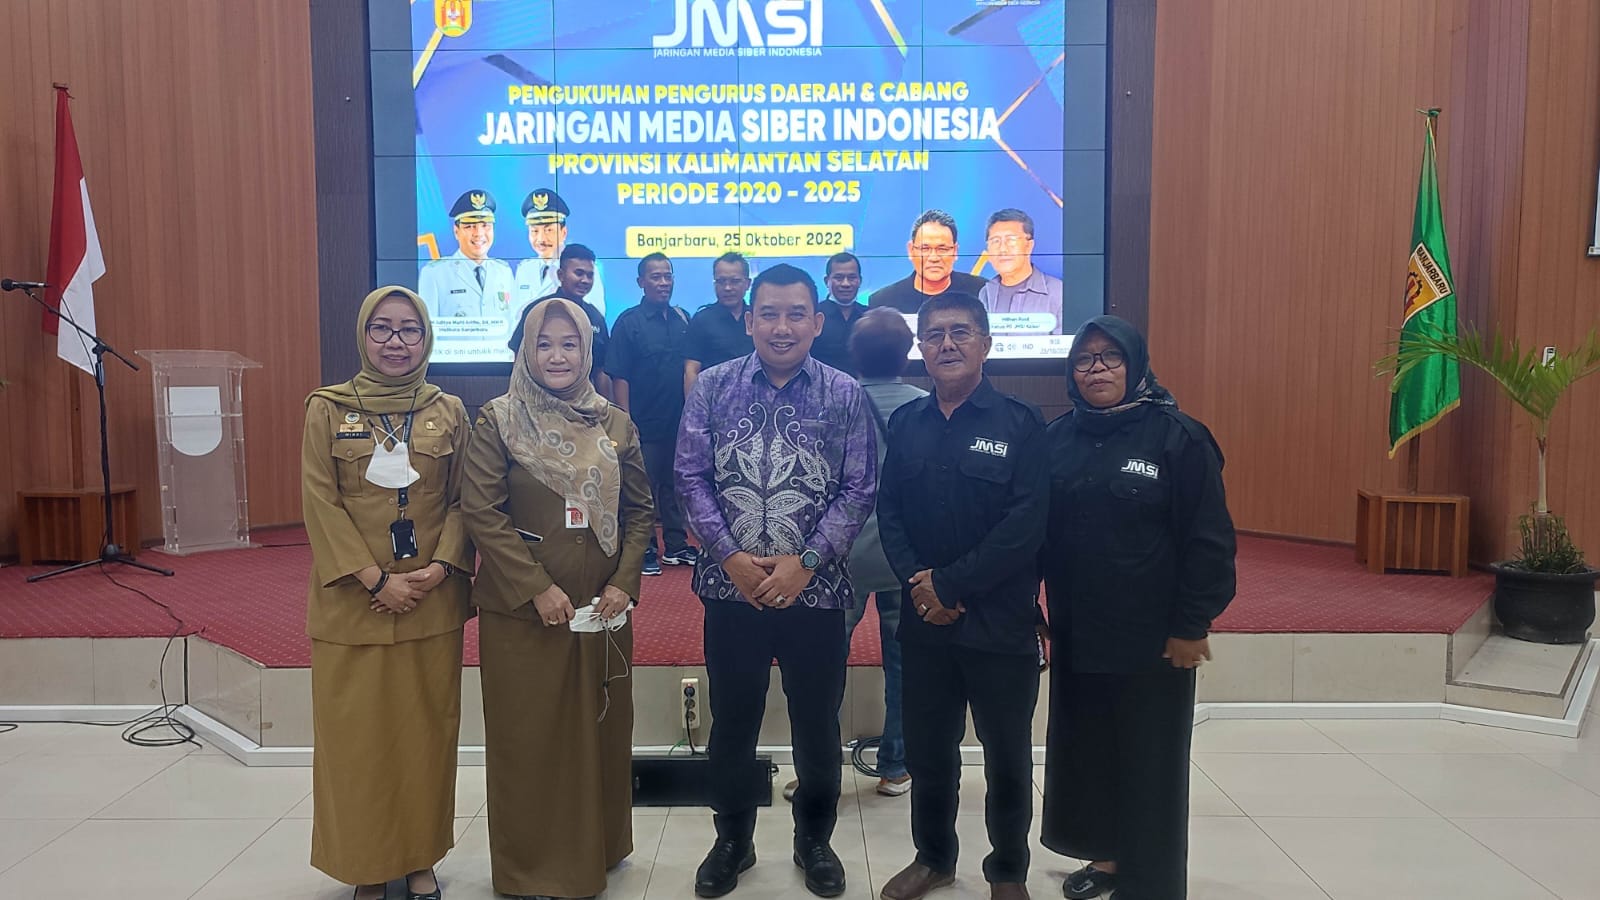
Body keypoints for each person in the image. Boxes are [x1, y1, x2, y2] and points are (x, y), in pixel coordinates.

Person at [675, 264, 878, 900]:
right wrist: (731, 556)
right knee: (733, 721)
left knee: (817, 724)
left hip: (815, 592)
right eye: (769, 313)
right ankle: (732, 840)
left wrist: (805, 561)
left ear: (817, 322)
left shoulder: (844, 392)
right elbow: (689, 477)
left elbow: (860, 487)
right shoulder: (712, 387)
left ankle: (814, 839)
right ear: (748, 320)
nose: (781, 327)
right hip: (729, 589)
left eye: (795, 314)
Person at [460, 299, 656, 900]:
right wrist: (536, 587)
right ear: (525, 350)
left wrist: (624, 582)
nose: (557, 356)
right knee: (530, 738)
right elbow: (482, 512)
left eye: (569, 344)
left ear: (588, 350)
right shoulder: (499, 420)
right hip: (523, 614)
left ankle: (600, 848)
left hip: (602, 610)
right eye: (543, 344)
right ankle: (531, 869)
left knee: (600, 730)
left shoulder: (615, 423)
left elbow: (640, 511)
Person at [1040, 316, 1236, 900]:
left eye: (1111, 357)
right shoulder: (1055, 439)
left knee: (1152, 763)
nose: (1096, 369)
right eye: (1084, 359)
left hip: (1154, 640)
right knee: (1090, 752)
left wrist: (1192, 624)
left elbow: (1209, 540)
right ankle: (1107, 860)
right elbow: (1033, 533)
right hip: (1078, 633)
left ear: (1136, 364)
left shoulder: (1179, 438)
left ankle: (1151, 883)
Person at [302, 286, 474, 900]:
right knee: (358, 743)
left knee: (426, 736)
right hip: (353, 606)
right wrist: (375, 579)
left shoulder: (448, 410)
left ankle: (421, 858)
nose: (395, 342)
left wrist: (440, 569)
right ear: (363, 335)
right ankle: (367, 866)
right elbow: (319, 502)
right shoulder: (326, 409)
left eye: (409, 330)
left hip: (430, 602)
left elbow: (466, 499)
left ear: (426, 338)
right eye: (382, 328)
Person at [876, 293, 1048, 900]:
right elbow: (890, 513)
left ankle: (1008, 872)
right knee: (929, 754)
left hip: (1000, 622)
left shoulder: (1021, 423)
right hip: (926, 622)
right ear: (920, 348)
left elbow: (1026, 524)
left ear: (986, 344)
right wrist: (922, 587)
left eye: (960, 332)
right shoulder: (907, 423)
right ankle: (934, 859)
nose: (946, 344)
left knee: (1007, 759)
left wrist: (950, 585)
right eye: (934, 335)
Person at [607, 252, 696, 576]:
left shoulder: (683, 319)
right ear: (641, 282)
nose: (663, 282)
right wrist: (625, 420)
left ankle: (675, 545)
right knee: (640, 490)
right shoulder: (628, 322)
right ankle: (643, 548)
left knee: (675, 487)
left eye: (667, 276)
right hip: (642, 423)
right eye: (656, 277)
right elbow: (619, 375)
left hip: (677, 422)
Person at [508, 243, 612, 397]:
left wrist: (605, 405)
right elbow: (519, 359)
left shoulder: (595, 317)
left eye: (590, 275)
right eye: (579, 273)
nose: (585, 280)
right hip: (538, 399)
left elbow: (600, 370)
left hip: (582, 402)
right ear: (560, 275)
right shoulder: (538, 310)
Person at [419, 189, 516, 323]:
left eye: (485, 225)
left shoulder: (504, 271)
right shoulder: (434, 274)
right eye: (470, 226)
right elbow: (427, 328)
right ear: (456, 232)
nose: (479, 233)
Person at [868, 210, 988, 315]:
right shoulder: (883, 302)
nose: (934, 258)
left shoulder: (983, 292)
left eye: (942, 249)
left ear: (955, 251)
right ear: (911, 250)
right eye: (925, 249)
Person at [513, 187, 608, 316]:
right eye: (534, 231)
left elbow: (595, 314)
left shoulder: (584, 269)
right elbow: (514, 316)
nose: (541, 239)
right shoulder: (524, 269)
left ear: (564, 232)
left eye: (549, 230)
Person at [977, 209, 1064, 336]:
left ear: (1029, 246)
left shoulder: (1058, 293)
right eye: (995, 241)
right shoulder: (985, 293)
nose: (1002, 249)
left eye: (1011, 240)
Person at [684, 251, 755, 393]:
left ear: (747, 284)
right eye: (721, 281)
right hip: (714, 400)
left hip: (755, 399)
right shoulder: (702, 320)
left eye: (734, 281)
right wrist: (692, 405)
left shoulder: (758, 318)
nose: (727, 288)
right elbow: (691, 370)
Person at [808, 252, 868, 375]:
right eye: (839, 278)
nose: (846, 284)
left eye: (852, 278)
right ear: (827, 281)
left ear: (860, 281)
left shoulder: (870, 317)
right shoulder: (813, 316)